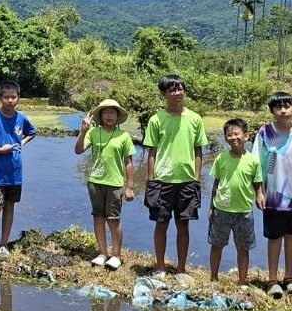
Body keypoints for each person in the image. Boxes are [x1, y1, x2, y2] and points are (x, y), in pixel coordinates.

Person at [142, 75, 209, 277]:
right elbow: (151, 152)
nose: (177, 93)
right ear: (164, 94)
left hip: (187, 181)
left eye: (180, 88)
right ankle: (160, 266)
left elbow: (198, 151)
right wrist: (151, 179)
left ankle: (181, 268)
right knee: (161, 223)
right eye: (172, 90)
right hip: (162, 180)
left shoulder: (195, 119)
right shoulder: (156, 120)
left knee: (183, 224)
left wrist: (197, 179)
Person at [253, 92, 292, 298]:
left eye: (287, 106)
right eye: (278, 107)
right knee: (274, 238)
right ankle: (272, 280)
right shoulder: (264, 133)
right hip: (273, 196)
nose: (283, 110)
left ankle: (289, 278)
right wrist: (259, 192)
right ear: (272, 111)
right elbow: (257, 166)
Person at [75, 98, 135, 270]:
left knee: (114, 219)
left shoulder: (124, 136)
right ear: (100, 116)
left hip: (115, 183)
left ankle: (116, 255)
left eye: (112, 112)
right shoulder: (94, 133)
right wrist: (83, 131)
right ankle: (102, 252)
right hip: (95, 181)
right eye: (106, 112)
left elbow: (129, 162)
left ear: (117, 116)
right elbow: (78, 150)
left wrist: (129, 186)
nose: (109, 115)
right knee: (98, 217)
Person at [0, 80, 37, 255]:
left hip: (15, 171)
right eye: (7, 97)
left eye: (14, 97)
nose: (10, 101)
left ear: (18, 98)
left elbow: (32, 132)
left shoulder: (21, 118)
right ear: (0, 98)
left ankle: (3, 243)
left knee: (10, 206)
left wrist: (21, 143)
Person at [207, 118, 262, 286]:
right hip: (221, 209)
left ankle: (242, 281)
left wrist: (260, 195)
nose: (233, 137)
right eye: (229, 135)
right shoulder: (221, 158)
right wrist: (211, 207)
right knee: (217, 244)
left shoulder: (253, 160)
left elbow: (258, 183)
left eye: (236, 134)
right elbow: (216, 184)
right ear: (225, 138)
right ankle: (214, 277)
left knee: (243, 248)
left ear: (246, 136)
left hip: (244, 210)